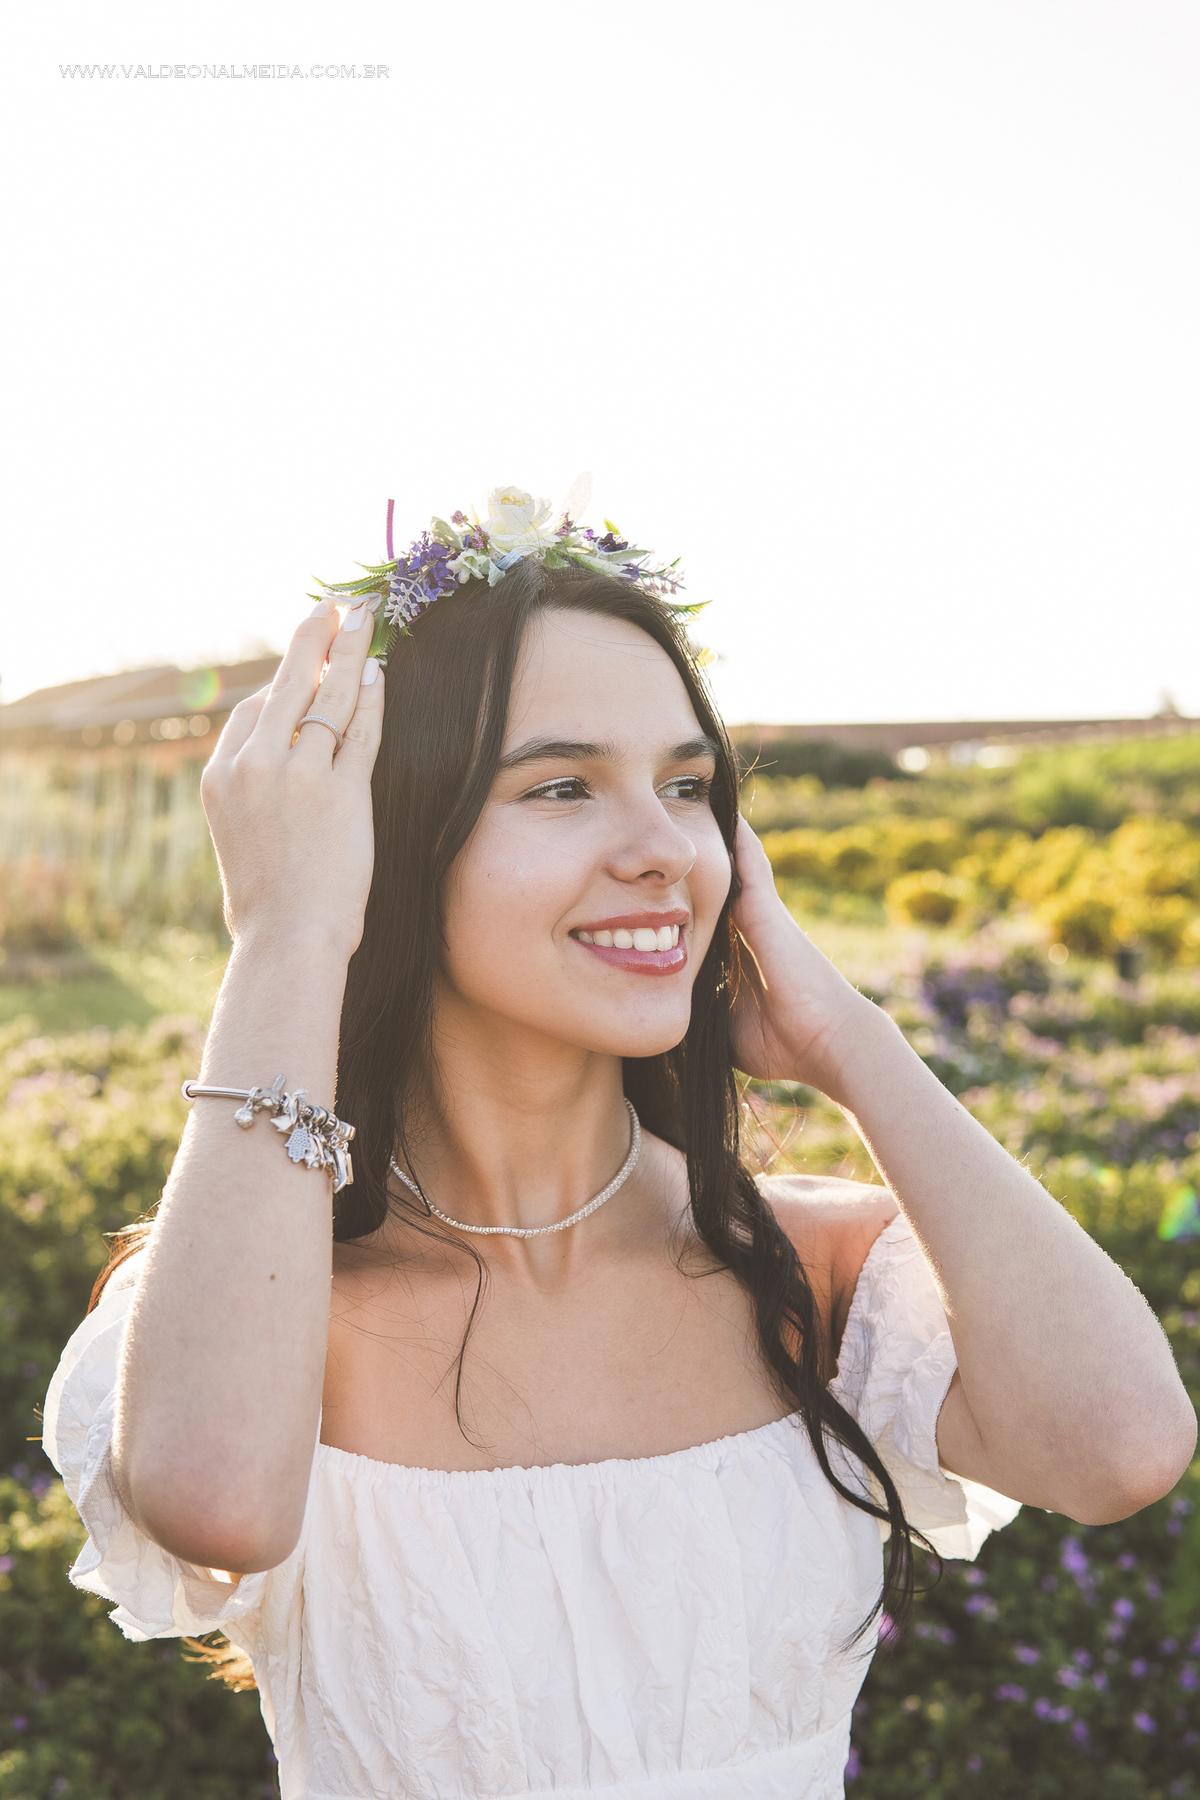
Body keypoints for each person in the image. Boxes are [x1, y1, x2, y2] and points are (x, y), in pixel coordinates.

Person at [44, 487, 1196, 1800]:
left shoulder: (807, 1265)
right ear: (389, 839)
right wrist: (292, 936)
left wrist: (844, 1035)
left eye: (690, 786)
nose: (662, 850)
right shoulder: (243, 1304)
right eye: (564, 785)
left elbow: (1124, 1448)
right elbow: (215, 1504)